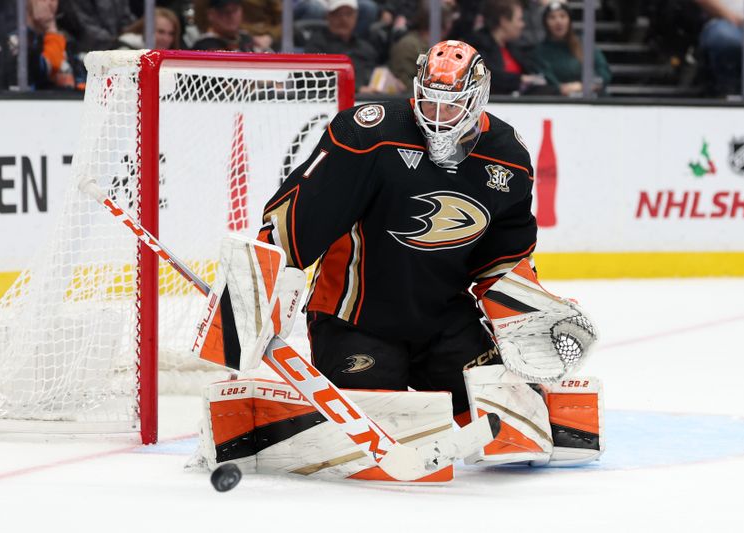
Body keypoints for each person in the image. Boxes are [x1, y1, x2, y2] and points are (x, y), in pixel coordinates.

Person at [254, 40, 599, 466]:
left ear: (479, 99)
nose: (437, 116)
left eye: (452, 105)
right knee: (378, 433)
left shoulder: (508, 159)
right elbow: (299, 218)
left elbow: (504, 260)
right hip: (357, 319)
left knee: (521, 431)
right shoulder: (370, 133)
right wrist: (257, 283)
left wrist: (528, 312)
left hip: (443, 319)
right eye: (430, 102)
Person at [466, 0, 556, 95]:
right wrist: (520, 80)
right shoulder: (477, 47)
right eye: (519, 19)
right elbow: (481, 76)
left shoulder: (514, 49)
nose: (522, 25)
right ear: (504, 21)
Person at [534, 1, 611, 96]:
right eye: (552, 17)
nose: (558, 21)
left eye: (562, 16)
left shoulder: (584, 44)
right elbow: (550, 83)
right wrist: (562, 89)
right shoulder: (540, 52)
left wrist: (585, 85)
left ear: (569, 20)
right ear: (545, 23)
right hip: (561, 103)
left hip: (594, 99)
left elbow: (604, 71)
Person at [303, 0, 379, 92]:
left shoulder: (366, 48)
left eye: (348, 14)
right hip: (330, 102)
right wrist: (356, 89)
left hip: (368, 102)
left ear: (356, 16)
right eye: (337, 14)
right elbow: (314, 79)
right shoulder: (316, 44)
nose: (343, 19)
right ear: (328, 16)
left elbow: (375, 77)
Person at [8, 0, 81, 90]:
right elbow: (46, 68)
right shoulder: (17, 39)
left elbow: (81, 81)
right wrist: (51, 29)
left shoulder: (67, 37)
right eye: (44, 0)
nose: (50, 4)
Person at [387, 2, 455, 91]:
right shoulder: (408, 46)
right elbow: (405, 87)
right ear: (444, 24)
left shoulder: (446, 47)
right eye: (449, 21)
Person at [192, 0, 269, 52]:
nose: (231, 16)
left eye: (235, 10)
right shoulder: (205, 47)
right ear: (211, 14)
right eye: (225, 11)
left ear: (242, 11)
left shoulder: (246, 39)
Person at [58, 0, 135, 51]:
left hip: (119, 43)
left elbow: (126, 19)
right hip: (87, 50)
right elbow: (84, 27)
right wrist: (116, 43)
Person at [117, 7, 182, 50]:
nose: (166, 39)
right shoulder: (125, 51)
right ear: (145, 30)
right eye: (161, 32)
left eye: (171, 34)